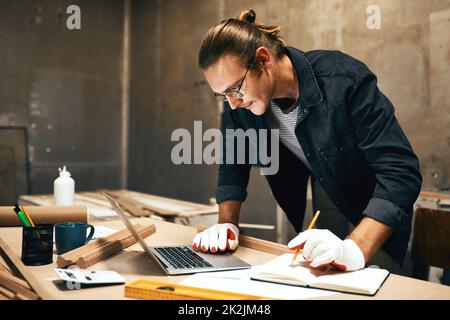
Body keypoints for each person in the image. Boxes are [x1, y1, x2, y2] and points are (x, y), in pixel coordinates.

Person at [192, 9, 422, 271]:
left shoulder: (344, 80)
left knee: (375, 281)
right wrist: (226, 224)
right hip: (327, 192)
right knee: (322, 276)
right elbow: (233, 165)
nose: (232, 104)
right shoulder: (242, 106)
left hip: (377, 208)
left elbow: (401, 172)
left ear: (263, 59)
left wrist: (355, 247)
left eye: (235, 89)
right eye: (223, 95)